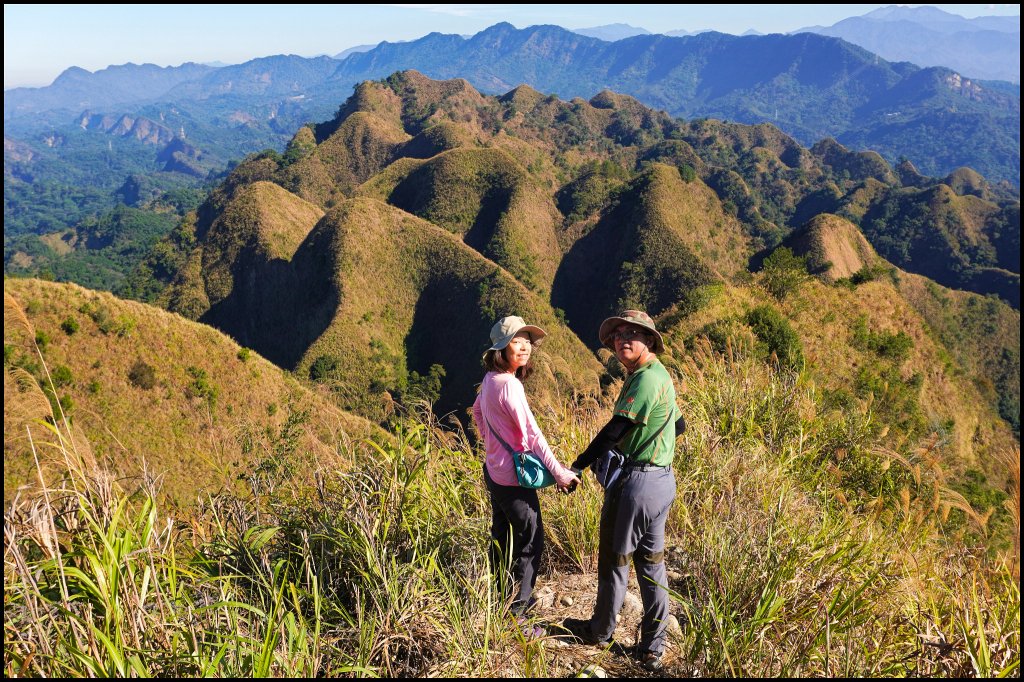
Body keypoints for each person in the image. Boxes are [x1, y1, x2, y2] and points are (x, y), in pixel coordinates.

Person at [562, 310, 685, 672]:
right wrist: (654, 448)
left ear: (649, 340)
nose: (622, 340)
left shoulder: (645, 380)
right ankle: (653, 645)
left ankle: (600, 631)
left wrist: (579, 465)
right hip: (661, 481)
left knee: (615, 561)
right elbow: (679, 425)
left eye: (632, 333)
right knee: (651, 564)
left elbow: (615, 430)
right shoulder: (658, 375)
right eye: (617, 335)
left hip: (637, 484)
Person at [472, 315, 581, 630]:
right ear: (501, 350)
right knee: (530, 543)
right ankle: (519, 617)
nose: (524, 349)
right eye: (515, 343)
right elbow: (533, 435)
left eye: (527, 342)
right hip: (514, 480)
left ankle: (505, 602)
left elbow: (478, 411)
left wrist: (490, 442)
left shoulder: (490, 380)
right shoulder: (510, 386)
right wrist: (559, 473)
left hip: (494, 473)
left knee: (502, 539)